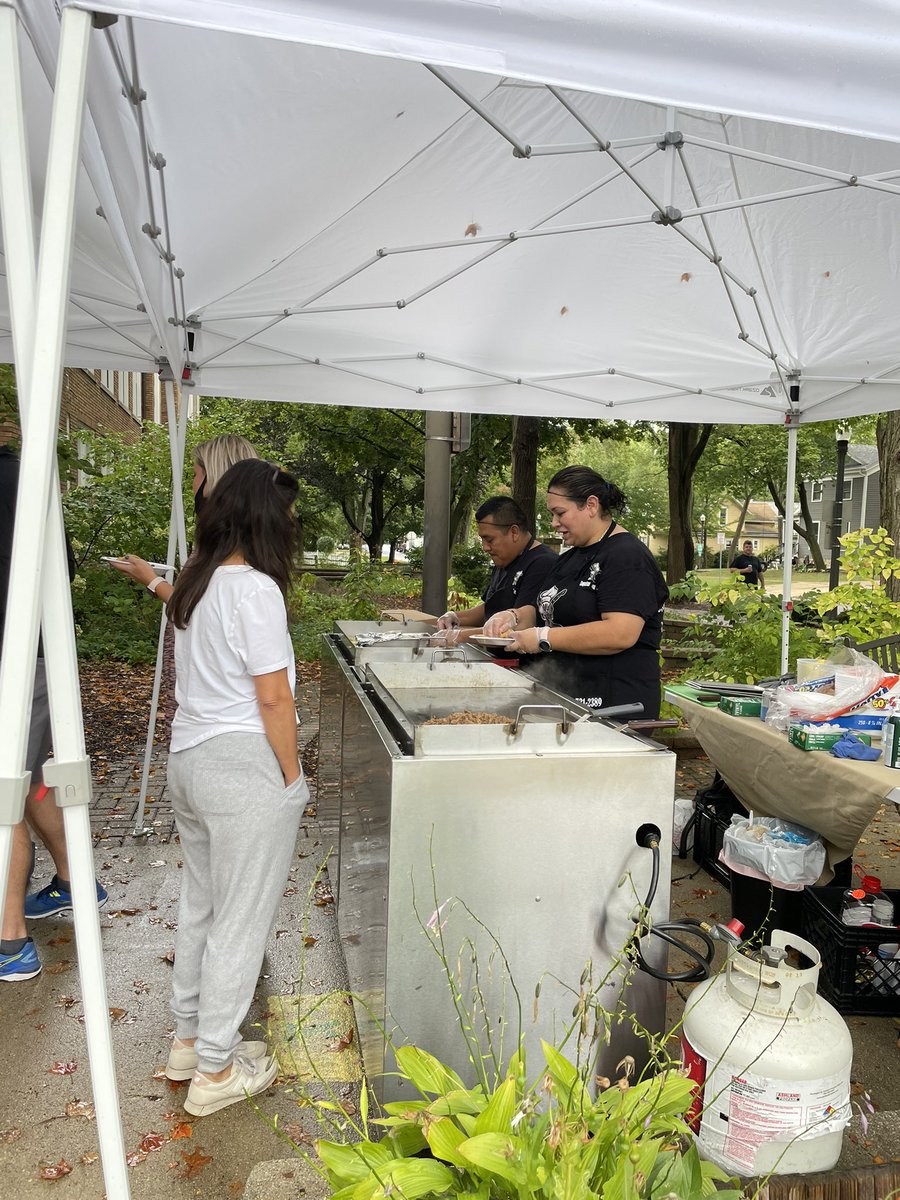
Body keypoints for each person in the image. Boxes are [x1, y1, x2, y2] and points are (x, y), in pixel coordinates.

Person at [131, 458, 304, 1116]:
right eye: (288, 514)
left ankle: (189, 1041)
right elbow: (274, 698)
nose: (292, 524)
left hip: (190, 759)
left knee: (203, 907)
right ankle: (216, 1069)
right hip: (243, 766)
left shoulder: (197, 584)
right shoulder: (254, 590)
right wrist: (292, 777)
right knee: (241, 919)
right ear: (267, 518)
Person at [0, 444, 106, 983]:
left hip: (13, 658)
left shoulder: (20, 476)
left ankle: (9, 939)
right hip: (36, 655)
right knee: (31, 781)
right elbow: (62, 566)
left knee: (6, 791)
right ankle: (73, 882)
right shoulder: (29, 476)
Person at [482, 465, 669, 719]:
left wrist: (543, 637)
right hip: (566, 697)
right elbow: (544, 611)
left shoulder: (627, 557)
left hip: (613, 706)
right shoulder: (569, 557)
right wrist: (512, 617)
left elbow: (620, 633)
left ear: (591, 505)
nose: (553, 523)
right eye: (552, 514)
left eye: (560, 513)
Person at [435, 497, 557, 632]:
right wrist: (455, 617)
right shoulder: (505, 559)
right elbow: (490, 610)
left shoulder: (542, 564)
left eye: (489, 540)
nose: (485, 547)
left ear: (514, 532)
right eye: (482, 540)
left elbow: (516, 627)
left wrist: (457, 635)